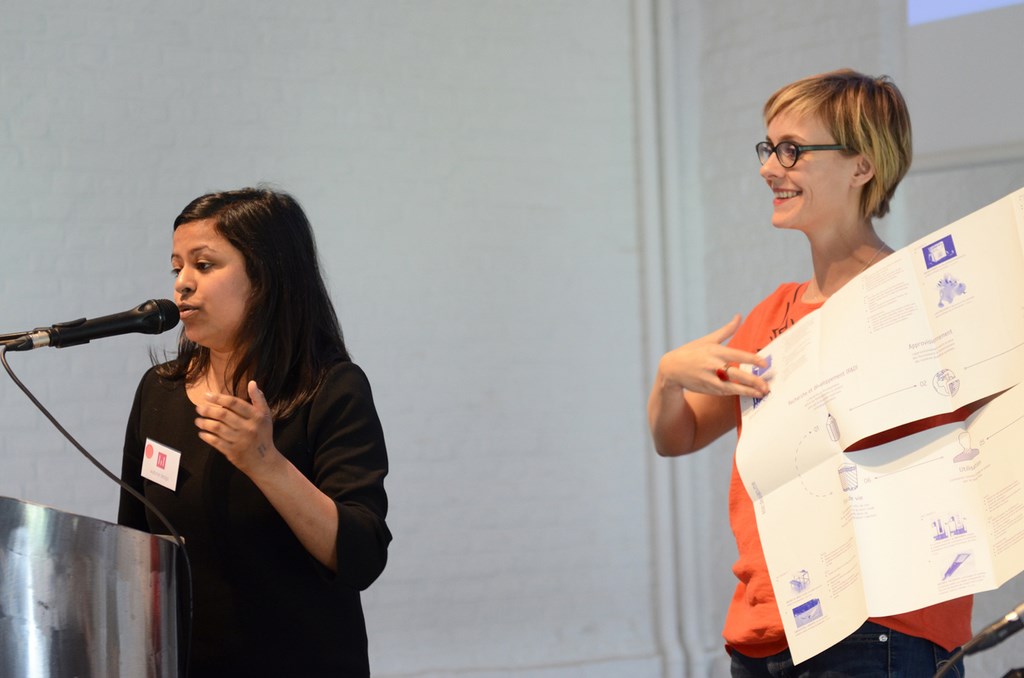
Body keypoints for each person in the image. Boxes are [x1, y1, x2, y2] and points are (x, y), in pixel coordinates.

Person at [647, 70, 972, 677]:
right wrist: (669, 377)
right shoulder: (773, 313)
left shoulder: (923, 298)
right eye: (768, 149)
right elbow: (678, 436)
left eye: (792, 150)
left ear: (862, 166)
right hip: (764, 633)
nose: (769, 168)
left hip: (878, 629)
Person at [118, 187, 391, 677]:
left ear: (266, 278)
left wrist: (265, 463)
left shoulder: (331, 390)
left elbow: (361, 558)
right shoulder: (159, 390)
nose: (182, 284)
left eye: (204, 265)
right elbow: (136, 546)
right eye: (177, 268)